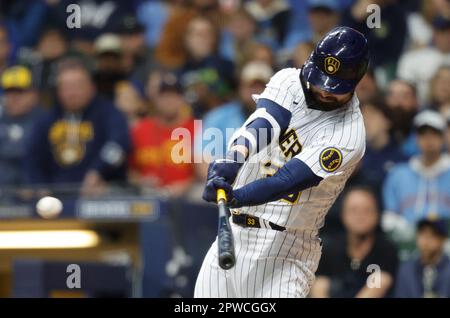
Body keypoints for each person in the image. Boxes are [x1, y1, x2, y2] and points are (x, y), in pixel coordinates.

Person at [195, 26, 369, 298]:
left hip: (286, 248)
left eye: (334, 88)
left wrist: (234, 196)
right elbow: (263, 124)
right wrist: (233, 159)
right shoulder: (289, 80)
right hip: (235, 232)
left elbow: (286, 180)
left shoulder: (350, 133)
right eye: (320, 80)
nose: (324, 90)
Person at [25, 58, 130, 196]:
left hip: (99, 193)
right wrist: (38, 186)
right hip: (54, 196)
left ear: (92, 87)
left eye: (78, 86)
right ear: (58, 91)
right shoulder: (47, 119)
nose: (72, 93)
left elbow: (118, 145)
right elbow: (32, 155)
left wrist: (98, 171)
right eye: (66, 87)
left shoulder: (108, 114)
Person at [310, 187, 398, 298]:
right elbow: (319, 286)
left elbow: (379, 285)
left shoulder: (386, 250)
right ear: (343, 214)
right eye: (353, 210)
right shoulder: (330, 249)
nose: (360, 216)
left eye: (367, 210)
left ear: (377, 215)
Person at [195, 61, 274, 180]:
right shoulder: (218, 117)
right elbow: (203, 163)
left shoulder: (287, 119)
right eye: (251, 86)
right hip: (226, 186)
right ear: (241, 88)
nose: (257, 92)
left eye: (262, 87)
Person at [129, 72, 195, 198]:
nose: (169, 102)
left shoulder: (196, 129)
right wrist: (140, 182)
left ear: (182, 99)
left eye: (174, 96)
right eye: (164, 97)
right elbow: (130, 171)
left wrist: (185, 186)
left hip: (187, 199)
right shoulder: (139, 129)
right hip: (146, 198)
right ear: (156, 100)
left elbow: (204, 174)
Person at [383, 111, 450, 231]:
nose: (428, 139)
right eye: (423, 134)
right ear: (416, 139)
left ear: (443, 138)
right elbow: (390, 215)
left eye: (434, 134)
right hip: (407, 243)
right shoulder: (398, 174)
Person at [0, 66, 42, 190]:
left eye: (20, 92)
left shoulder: (45, 120)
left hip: (33, 194)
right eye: (9, 92)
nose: (13, 98)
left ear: (34, 94)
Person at [397, 15, 450, 104]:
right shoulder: (413, 58)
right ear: (433, 33)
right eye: (440, 32)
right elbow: (403, 87)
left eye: (447, 32)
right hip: (419, 106)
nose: (444, 36)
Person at [395, 217, 450, 298]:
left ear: (443, 239)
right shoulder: (406, 269)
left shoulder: (448, 270)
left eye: (432, 235)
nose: (426, 240)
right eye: (422, 234)